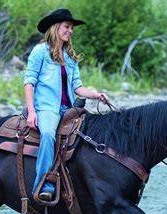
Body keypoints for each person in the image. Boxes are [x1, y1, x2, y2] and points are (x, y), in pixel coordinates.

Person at [24, 8, 108, 201]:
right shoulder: (40, 52)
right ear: (55, 28)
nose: (71, 31)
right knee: (47, 134)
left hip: (67, 108)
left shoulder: (69, 57)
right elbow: (29, 82)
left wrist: (96, 95)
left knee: (91, 134)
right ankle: (42, 185)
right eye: (67, 27)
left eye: (71, 28)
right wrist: (31, 112)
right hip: (47, 107)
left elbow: (77, 87)